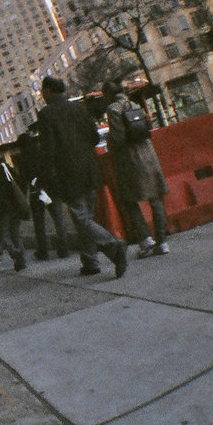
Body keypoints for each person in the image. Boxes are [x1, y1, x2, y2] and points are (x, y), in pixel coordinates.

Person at [37, 75, 128, 278]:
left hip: (68, 174)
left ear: (49, 91)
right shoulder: (80, 108)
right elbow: (95, 137)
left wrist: (46, 177)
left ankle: (113, 246)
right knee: (86, 216)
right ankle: (90, 261)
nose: (42, 96)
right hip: (89, 169)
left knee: (81, 218)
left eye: (43, 91)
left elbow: (48, 150)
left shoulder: (46, 114)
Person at [102, 79, 170, 257]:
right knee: (155, 199)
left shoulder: (113, 109)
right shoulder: (133, 103)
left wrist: (109, 140)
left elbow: (118, 137)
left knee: (130, 200)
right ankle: (162, 242)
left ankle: (146, 240)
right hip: (148, 154)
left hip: (130, 159)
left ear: (108, 94)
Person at [17, 125, 69, 260]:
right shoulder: (42, 152)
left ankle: (43, 251)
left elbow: (23, 179)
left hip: (36, 193)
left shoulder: (22, 159)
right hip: (51, 189)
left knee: (39, 224)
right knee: (59, 219)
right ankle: (64, 248)